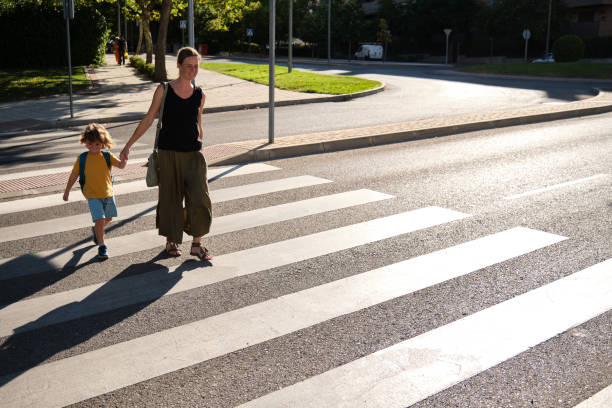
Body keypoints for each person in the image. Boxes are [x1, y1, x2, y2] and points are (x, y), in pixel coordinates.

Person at [120, 46, 212, 260]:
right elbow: (149, 118)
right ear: (178, 65)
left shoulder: (200, 94)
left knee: (200, 198)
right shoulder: (164, 90)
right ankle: (172, 241)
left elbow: (198, 122)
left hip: (193, 155)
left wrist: (201, 141)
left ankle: (197, 245)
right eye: (188, 66)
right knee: (171, 199)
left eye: (196, 66)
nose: (192, 70)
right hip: (168, 154)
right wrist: (128, 145)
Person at [63, 123, 127, 260]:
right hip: (92, 194)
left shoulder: (107, 156)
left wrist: (124, 159)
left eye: (97, 144)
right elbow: (74, 175)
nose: (93, 147)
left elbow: (121, 166)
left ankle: (97, 232)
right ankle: (102, 246)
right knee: (100, 219)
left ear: (103, 143)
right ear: (85, 142)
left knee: (108, 218)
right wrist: (67, 191)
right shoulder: (82, 158)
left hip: (108, 193)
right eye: (90, 144)